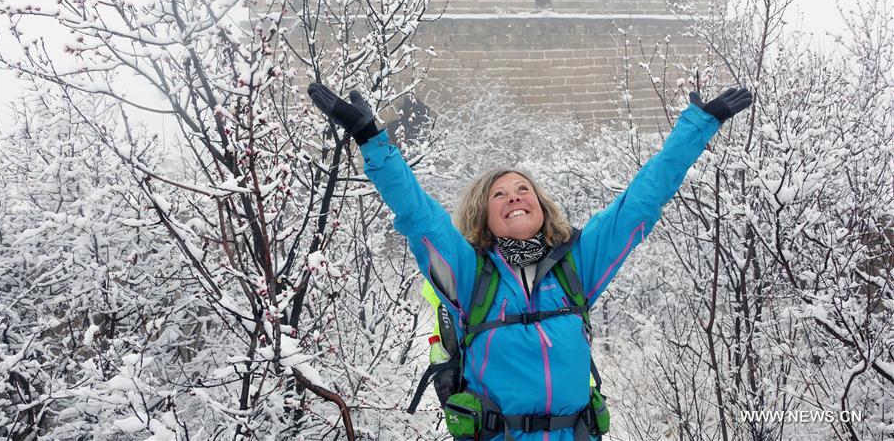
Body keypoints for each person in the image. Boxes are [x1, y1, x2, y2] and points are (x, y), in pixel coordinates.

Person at [307, 83, 752, 441]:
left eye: (524, 189)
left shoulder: (577, 266)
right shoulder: (470, 277)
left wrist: (698, 126)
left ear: (541, 205)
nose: (515, 196)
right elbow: (416, 214)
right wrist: (372, 139)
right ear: (484, 216)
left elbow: (642, 200)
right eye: (499, 194)